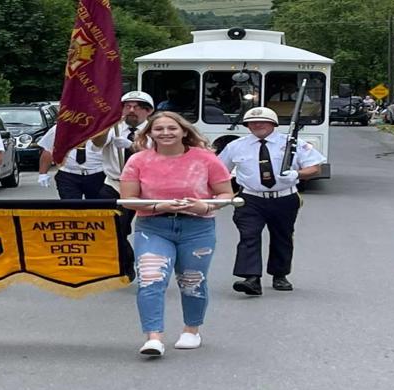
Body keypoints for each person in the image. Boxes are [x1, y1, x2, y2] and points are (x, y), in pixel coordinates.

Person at [117, 111, 235, 356]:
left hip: (197, 227)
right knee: (151, 279)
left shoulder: (206, 158)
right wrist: (158, 206)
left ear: (184, 131)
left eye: (172, 128)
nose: (166, 133)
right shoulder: (138, 160)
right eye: (159, 129)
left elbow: (226, 194)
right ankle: (153, 337)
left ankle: (191, 330)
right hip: (153, 227)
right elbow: (128, 199)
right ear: (149, 134)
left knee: (192, 280)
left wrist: (206, 206)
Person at [216, 106, 325, 295]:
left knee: (282, 236)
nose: (258, 125)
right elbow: (220, 171)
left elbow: (315, 168)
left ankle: (280, 275)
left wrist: (296, 174)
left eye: (263, 122)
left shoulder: (293, 143)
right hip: (250, 198)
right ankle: (251, 278)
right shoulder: (236, 146)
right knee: (248, 235)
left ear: (273, 124)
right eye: (253, 122)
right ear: (247, 126)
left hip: (284, 197)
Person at [101, 90, 156, 279]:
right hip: (115, 184)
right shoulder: (114, 128)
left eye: (137, 107)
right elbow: (98, 143)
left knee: (143, 230)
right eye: (127, 106)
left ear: (148, 111)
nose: (131, 110)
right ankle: (124, 265)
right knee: (113, 227)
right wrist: (101, 126)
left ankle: (143, 267)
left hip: (144, 187)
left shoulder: (156, 130)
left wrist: (133, 147)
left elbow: (161, 157)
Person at [37, 121, 109, 200]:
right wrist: (43, 173)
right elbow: (48, 150)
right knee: (71, 208)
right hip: (68, 175)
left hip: (97, 175)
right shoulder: (59, 128)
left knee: (97, 208)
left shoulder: (103, 128)